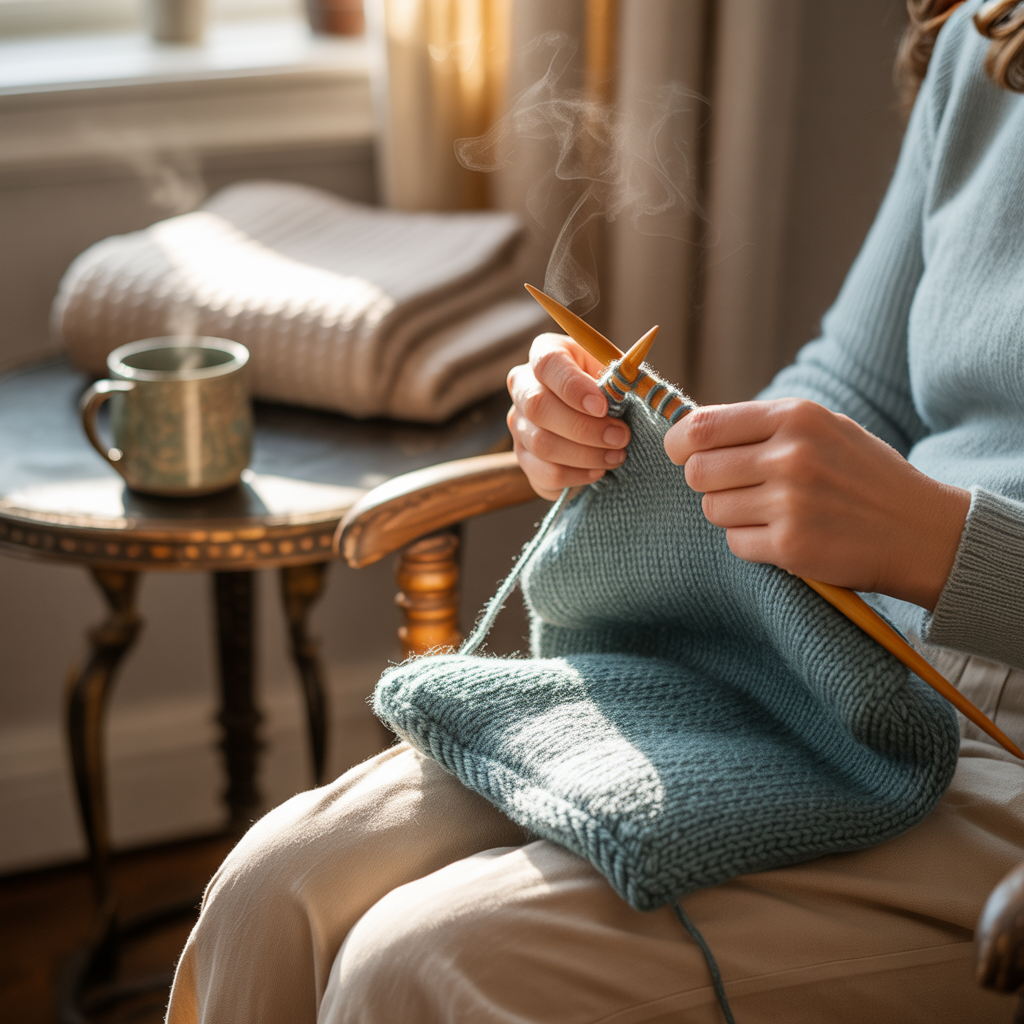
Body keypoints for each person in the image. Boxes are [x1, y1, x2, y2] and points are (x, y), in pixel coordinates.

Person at [165, 2, 1024, 1021]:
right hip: (838, 663)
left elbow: (924, 518)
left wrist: (939, 542)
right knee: (283, 881)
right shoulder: (988, 37)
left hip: (994, 744)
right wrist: (649, 443)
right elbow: (855, 385)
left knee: (419, 962)